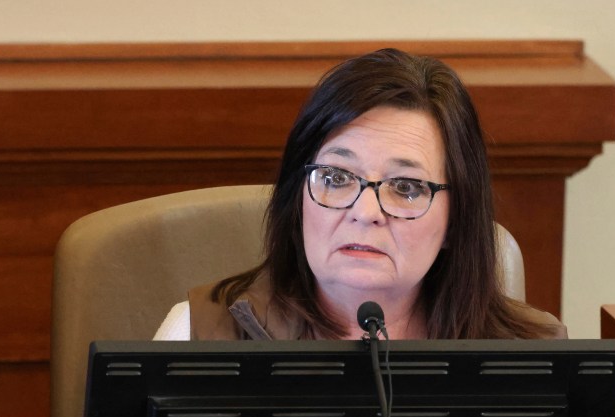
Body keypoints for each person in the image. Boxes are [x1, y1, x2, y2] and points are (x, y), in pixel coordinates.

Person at [155, 48, 565, 342]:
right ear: (296, 197)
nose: (365, 212)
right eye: (336, 177)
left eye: (406, 187)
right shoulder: (197, 335)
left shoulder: (537, 357)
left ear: (456, 220)